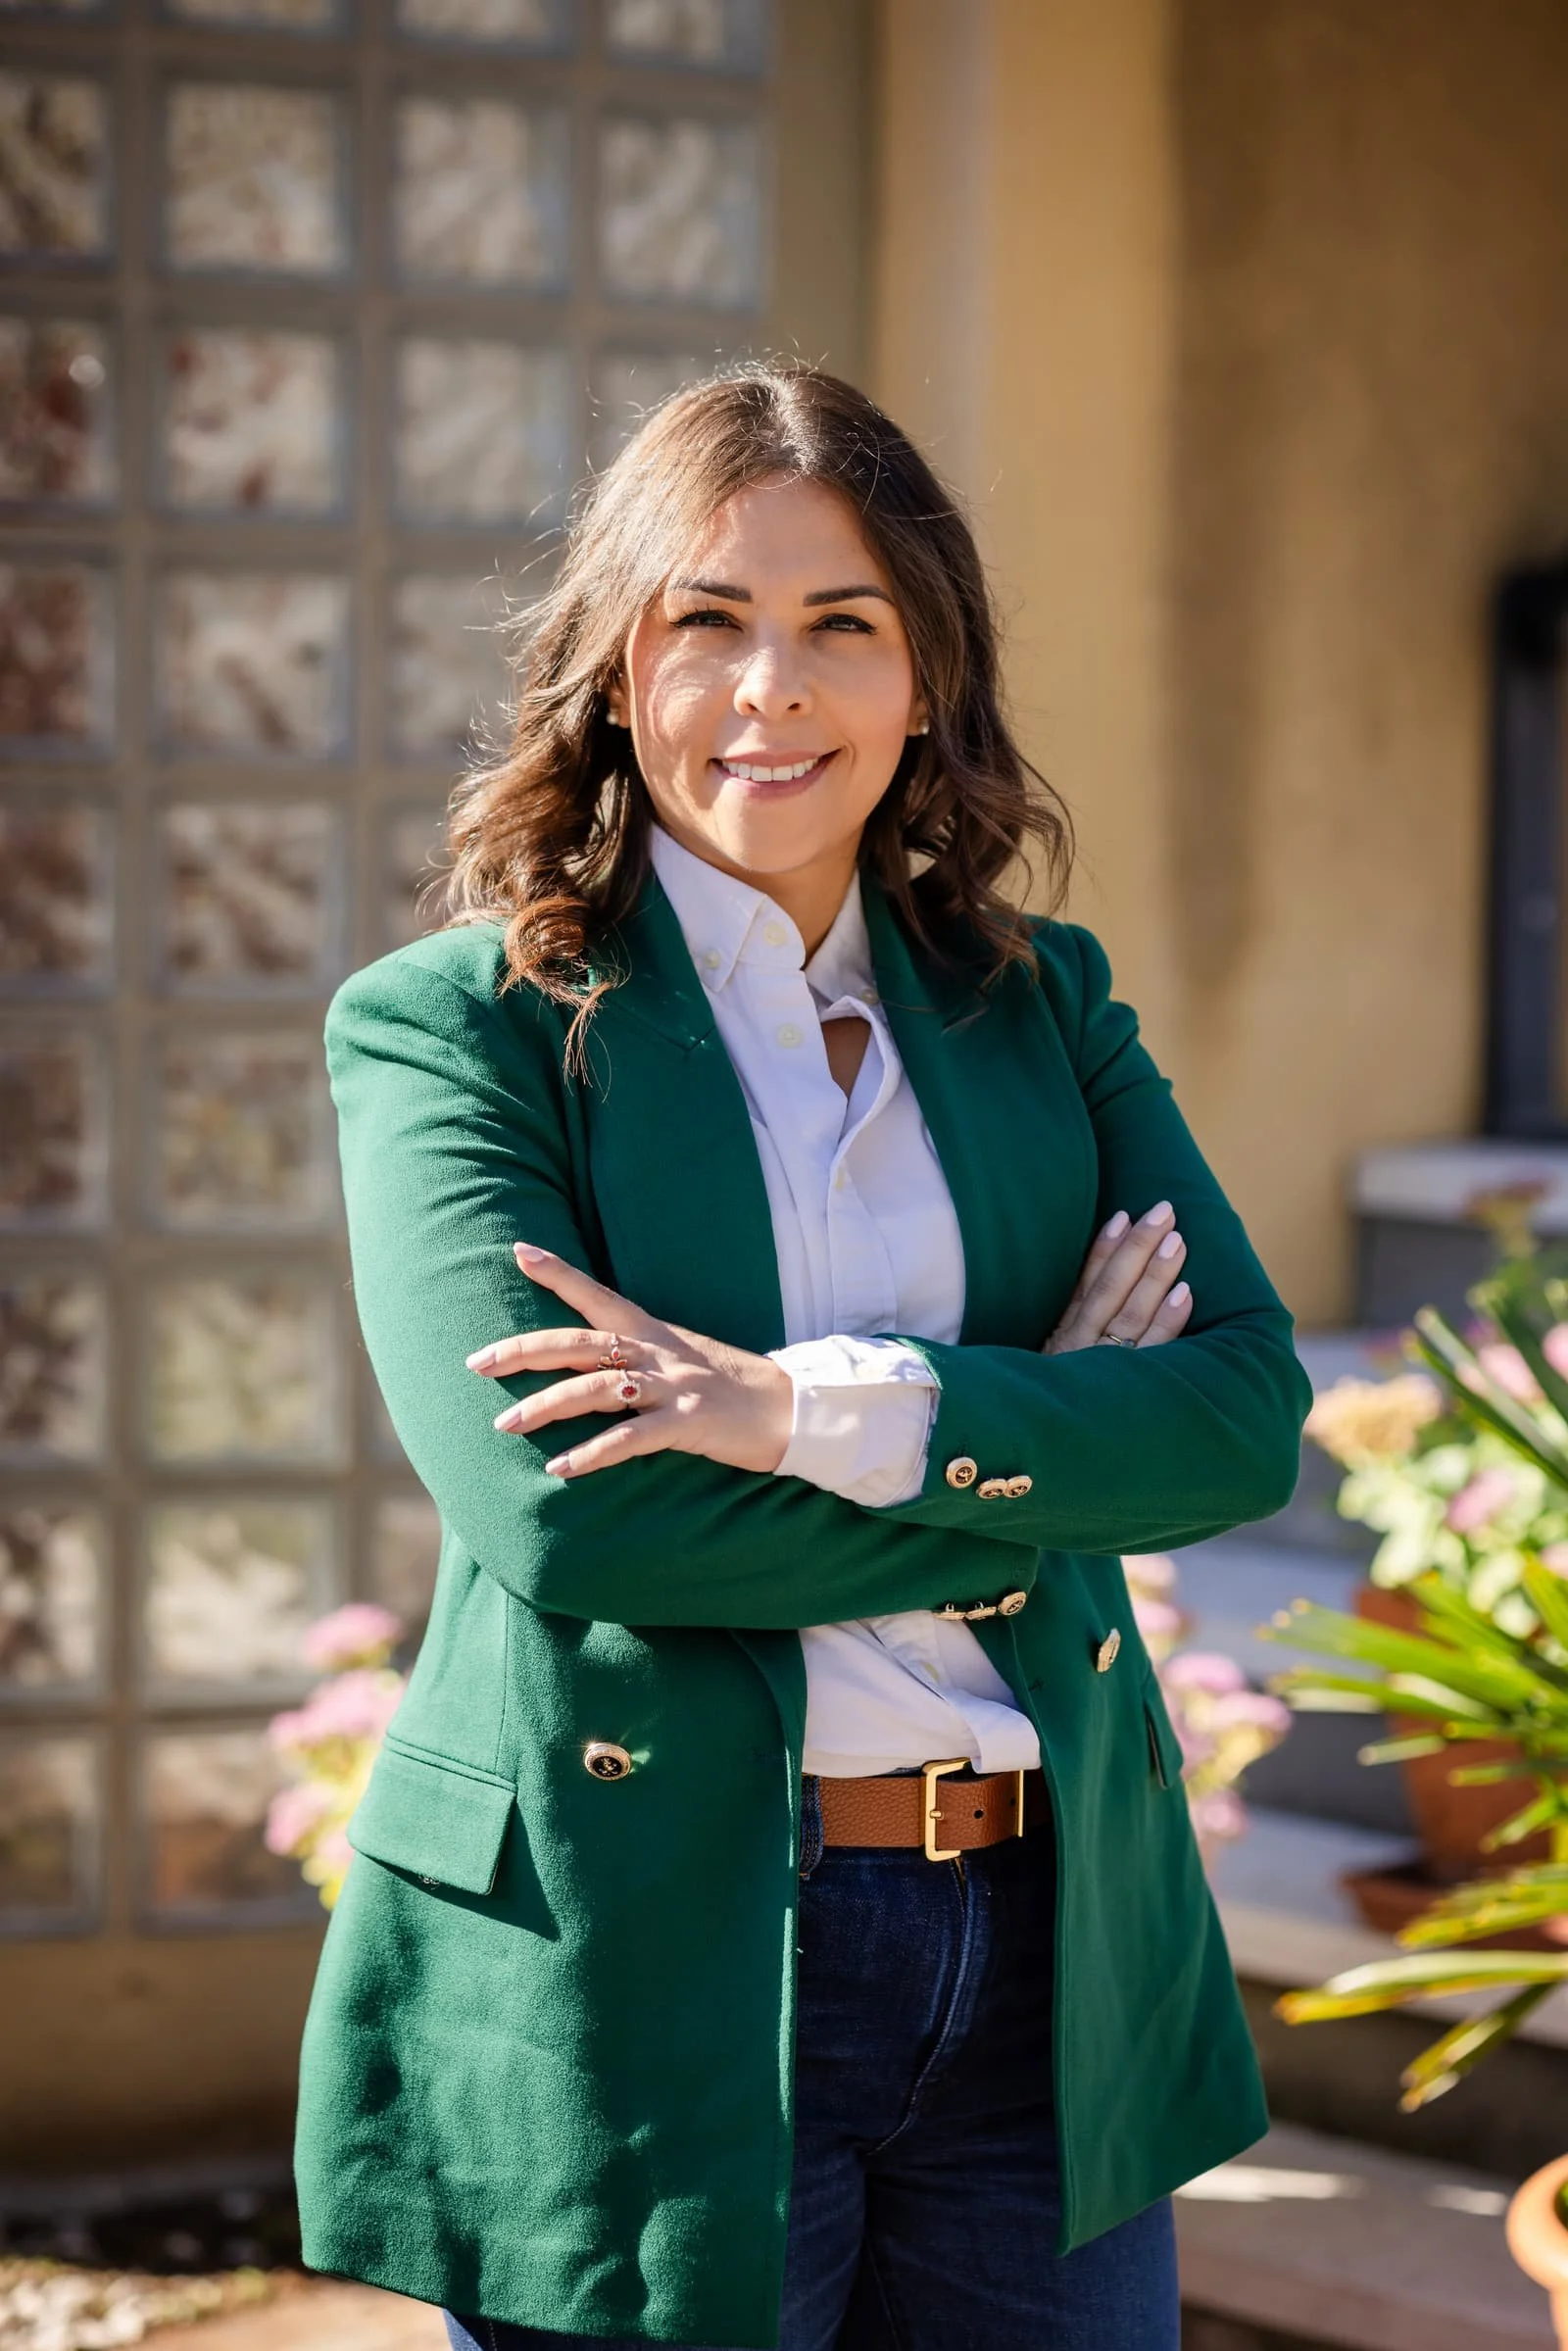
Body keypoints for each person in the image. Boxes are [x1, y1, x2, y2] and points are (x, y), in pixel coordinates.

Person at [294, 363, 1310, 2351]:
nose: (771, 689)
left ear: (924, 679)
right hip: (654, 1944)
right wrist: (1026, 1463)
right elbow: (567, 1515)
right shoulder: (458, 1033)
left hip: (1038, 1956)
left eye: (840, 625)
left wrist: (792, 1412)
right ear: (616, 672)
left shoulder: (1042, 1008)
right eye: (707, 623)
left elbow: (1239, 1414)